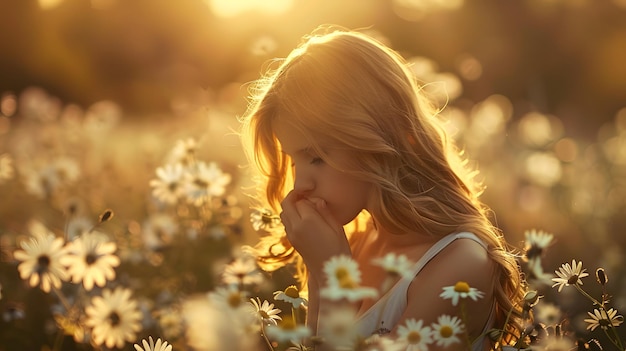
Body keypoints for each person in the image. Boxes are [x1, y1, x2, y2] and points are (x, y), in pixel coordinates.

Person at [240, 25, 526, 351]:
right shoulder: (356, 243)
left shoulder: (459, 264)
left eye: (316, 157)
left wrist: (334, 278)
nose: (301, 184)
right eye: (294, 162)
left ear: (375, 138)